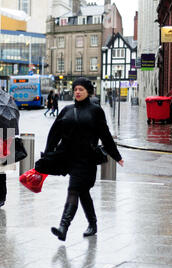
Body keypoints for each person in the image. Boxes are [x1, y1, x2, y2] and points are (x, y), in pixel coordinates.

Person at [44, 77, 124, 241]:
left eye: (81, 89)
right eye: (75, 90)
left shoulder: (95, 110)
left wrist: (116, 156)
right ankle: (93, 224)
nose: (77, 92)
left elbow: (105, 135)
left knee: (74, 189)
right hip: (70, 159)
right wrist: (47, 154)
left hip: (87, 160)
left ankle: (63, 227)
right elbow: (54, 133)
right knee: (82, 192)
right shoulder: (67, 110)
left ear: (88, 92)